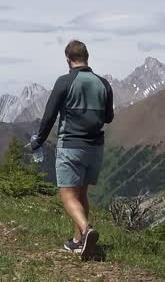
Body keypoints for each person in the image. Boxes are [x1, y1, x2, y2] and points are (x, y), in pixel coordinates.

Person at [27, 40, 114, 260]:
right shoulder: (103, 83)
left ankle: (86, 230)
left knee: (67, 194)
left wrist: (38, 141)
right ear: (87, 57)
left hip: (71, 146)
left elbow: (49, 115)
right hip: (95, 148)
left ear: (68, 59)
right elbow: (109, 118)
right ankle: (77, 242)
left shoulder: (65, 81)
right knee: (81, 194)